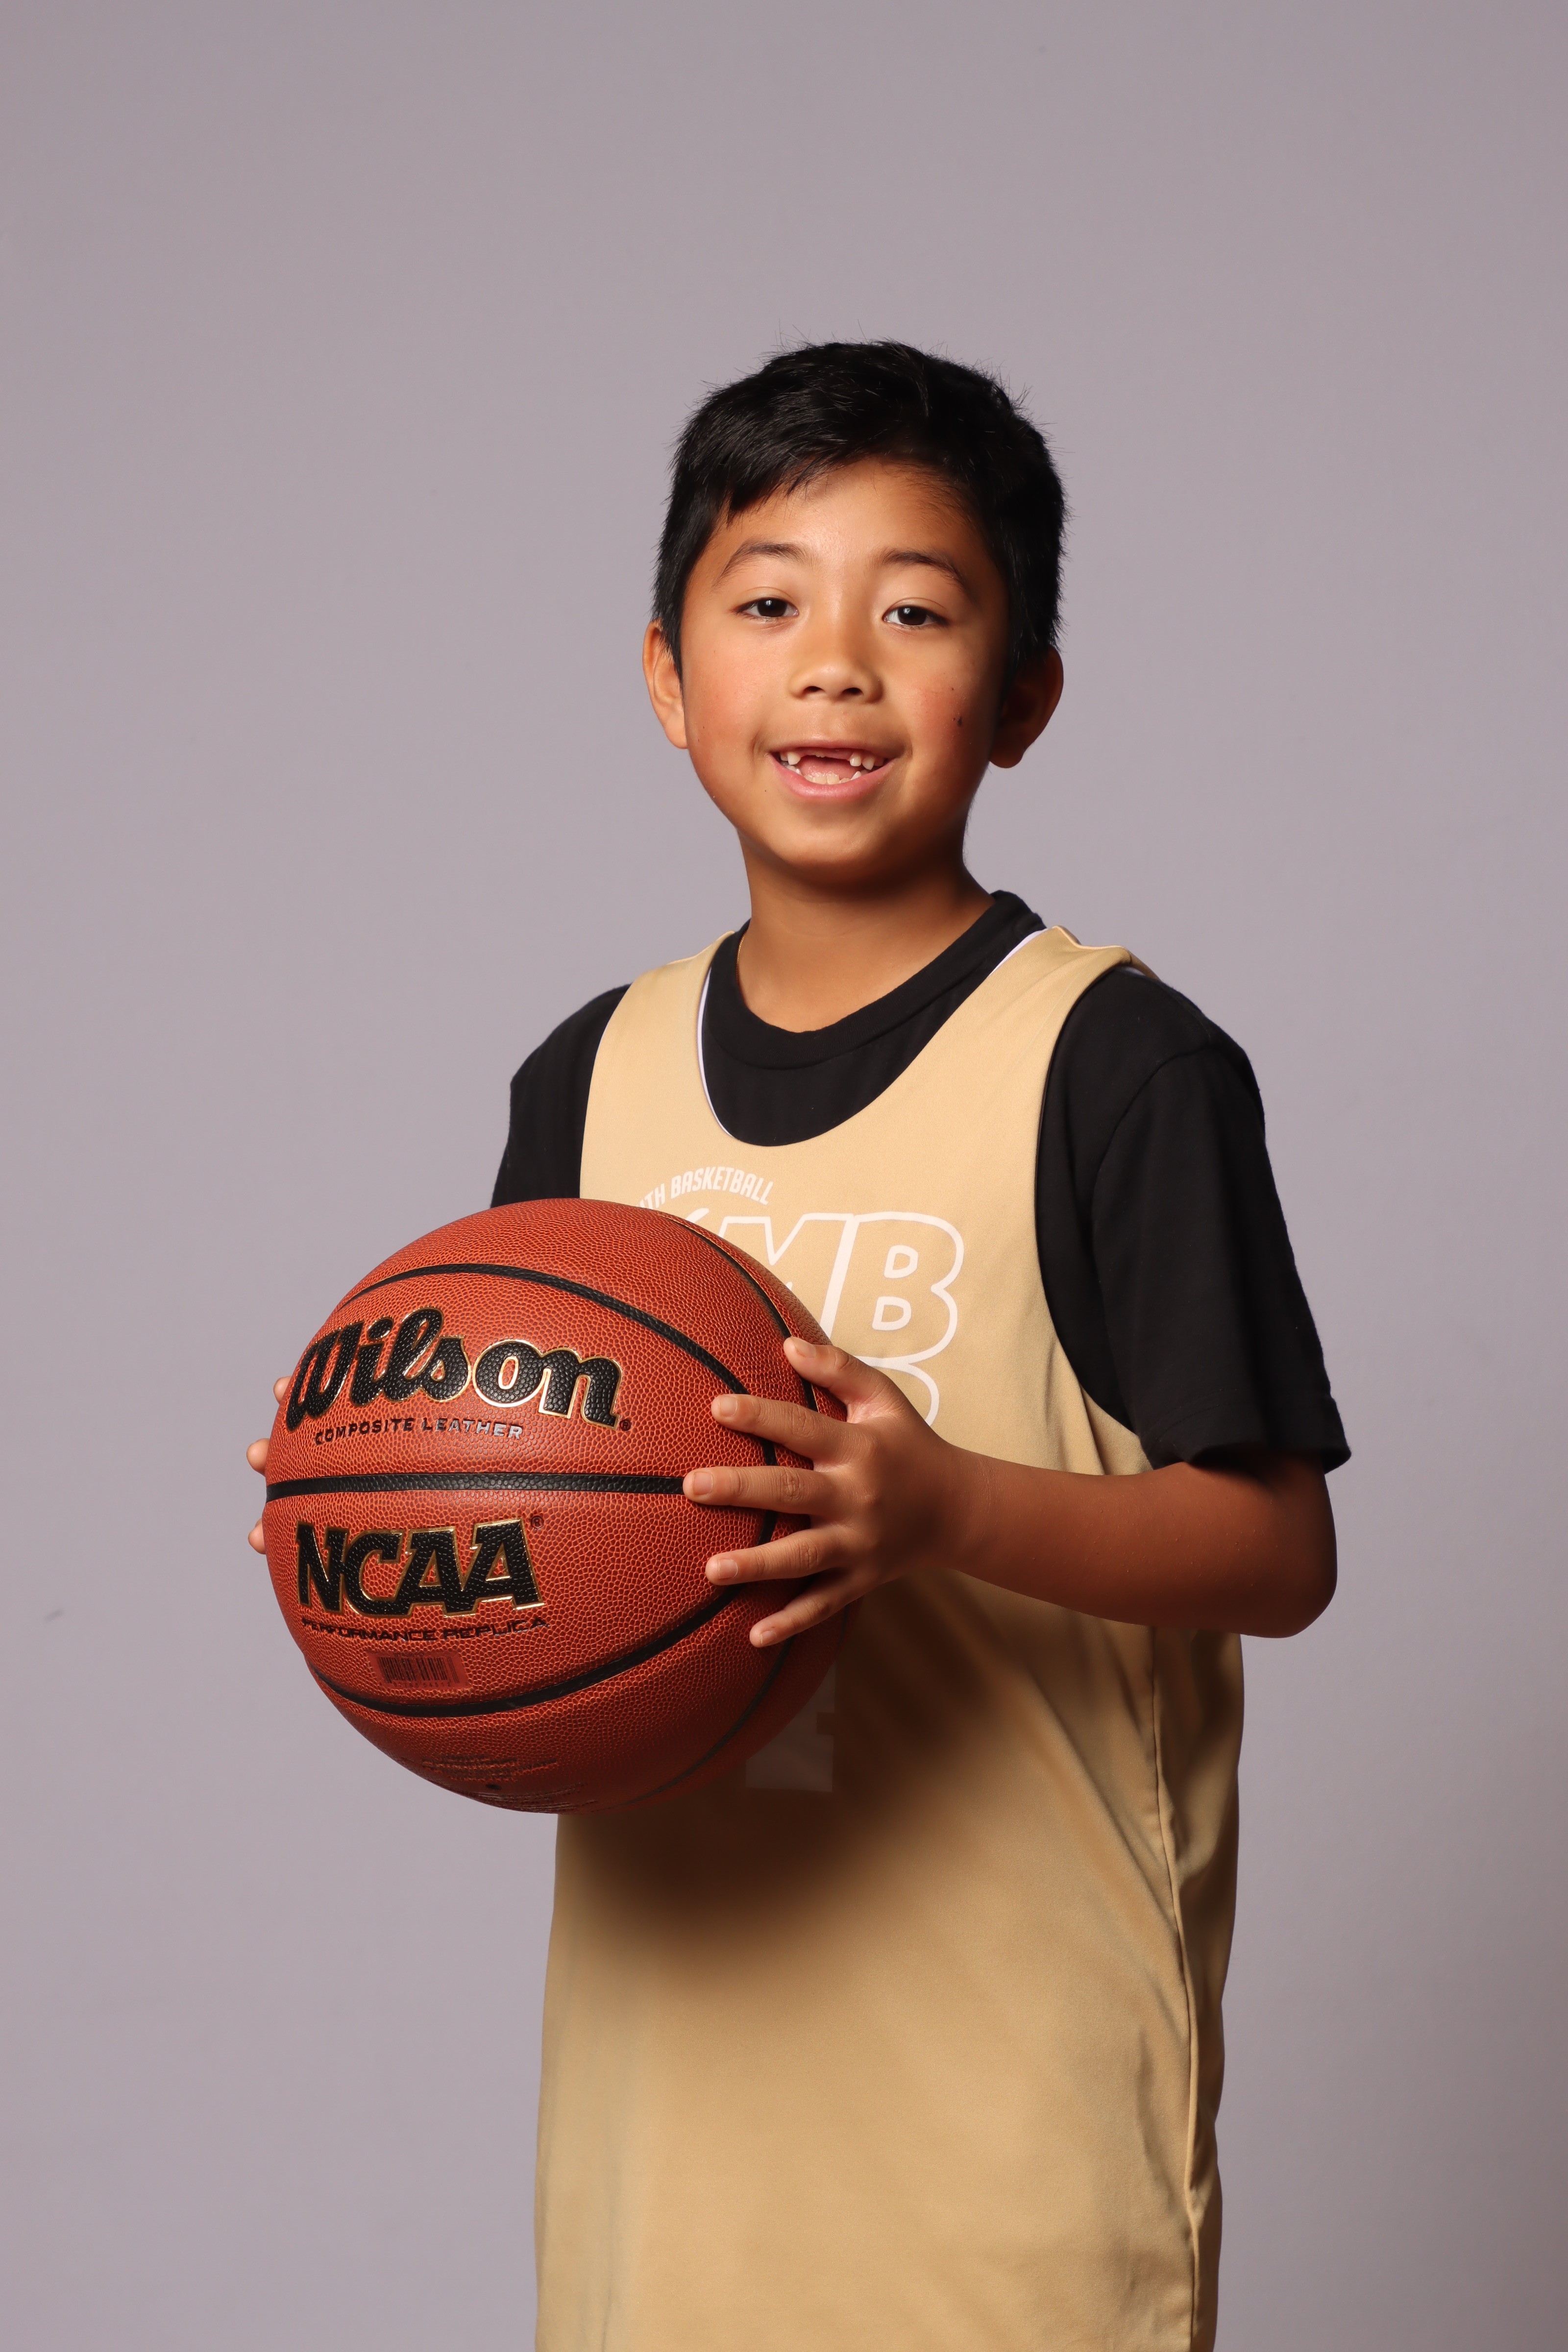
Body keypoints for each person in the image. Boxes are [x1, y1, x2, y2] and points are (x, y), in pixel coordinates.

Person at [252, 340, 1347, 2352]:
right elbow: (507, 1498)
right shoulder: (590, 1076)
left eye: (913, 612)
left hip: (1006, 2127)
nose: (833, 665)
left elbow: (1276, 1550)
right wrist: (369, 1508)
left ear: (1021, 695)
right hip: (661, 2120)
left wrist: (938, 1509)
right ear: (668, 678)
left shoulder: (1111, 1064)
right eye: (766, 603)